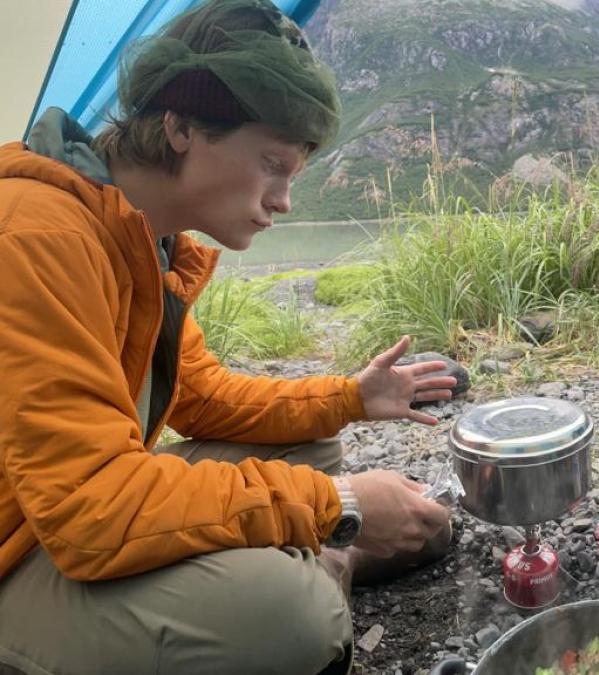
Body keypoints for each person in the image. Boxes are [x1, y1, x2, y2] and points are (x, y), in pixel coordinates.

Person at [0, 2, 458, 673]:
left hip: (67, 510)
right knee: (294, 621)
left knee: (313, 440)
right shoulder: (37, 234)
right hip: (24, 548)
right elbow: (88, 510)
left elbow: (202, 400)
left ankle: (307, 564)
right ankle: (315, 572)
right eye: (272, 163)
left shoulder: (142, 238)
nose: (284, 200)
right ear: (181, 125)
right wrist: (341, 506)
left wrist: (352, 395)